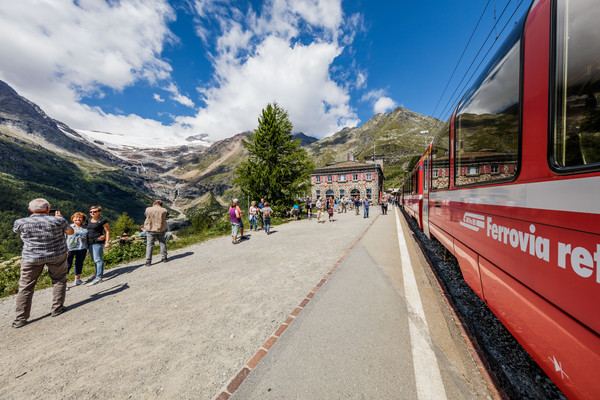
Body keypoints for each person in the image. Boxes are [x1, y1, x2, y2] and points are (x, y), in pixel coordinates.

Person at [11, 199, 74, 328]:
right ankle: (57, 309)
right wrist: (61, 219)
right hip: (56, 255)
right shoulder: (58, 220)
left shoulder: (20, 222)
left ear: (30, 210)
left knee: (26, 287)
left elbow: (17, 231)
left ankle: (20, 319)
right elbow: (70, 232)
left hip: (31, 258)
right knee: (59, 280)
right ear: (48, 208)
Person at [87, 206, 110, 285]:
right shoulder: (88, 220)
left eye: (95, 211)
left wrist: (107, 242)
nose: (92, 213)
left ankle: (99, 277)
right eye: (91, 212)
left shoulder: (103, 221)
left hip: (98, 242)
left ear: (99, 212)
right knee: (94, 259)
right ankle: (97, 274)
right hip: (90, 242)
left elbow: (107, 231)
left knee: (98, 259)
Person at [143, 200, 168, 266]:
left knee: (149, 245)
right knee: (162, 243)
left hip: (150, 229)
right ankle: (164, 258)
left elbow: (145, 215)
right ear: (161, 204)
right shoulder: (164, 210)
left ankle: (148, 261)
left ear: (154, 203)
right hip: (161, 228)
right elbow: (167, 215)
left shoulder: (148, 209)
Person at [66, 212, 88, 286]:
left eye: (80, 217)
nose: (78, 219)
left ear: (82, 219)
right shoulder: (68, 227)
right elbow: (63, 238)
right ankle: (64, 283)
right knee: (67, 265)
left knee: (79, 263)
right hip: (70, 248)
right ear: (72, 219)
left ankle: (77, 279)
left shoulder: (85, 227)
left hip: (82, 248)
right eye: (76, 217)